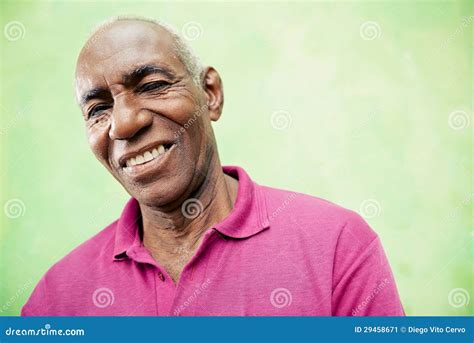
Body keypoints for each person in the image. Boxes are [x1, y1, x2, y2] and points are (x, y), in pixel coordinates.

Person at [22, 17, 405, 316]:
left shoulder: (338, 246)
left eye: (153, 85)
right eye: (98, 110)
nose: (124, 123)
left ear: (211, 94)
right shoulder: (55, 300)